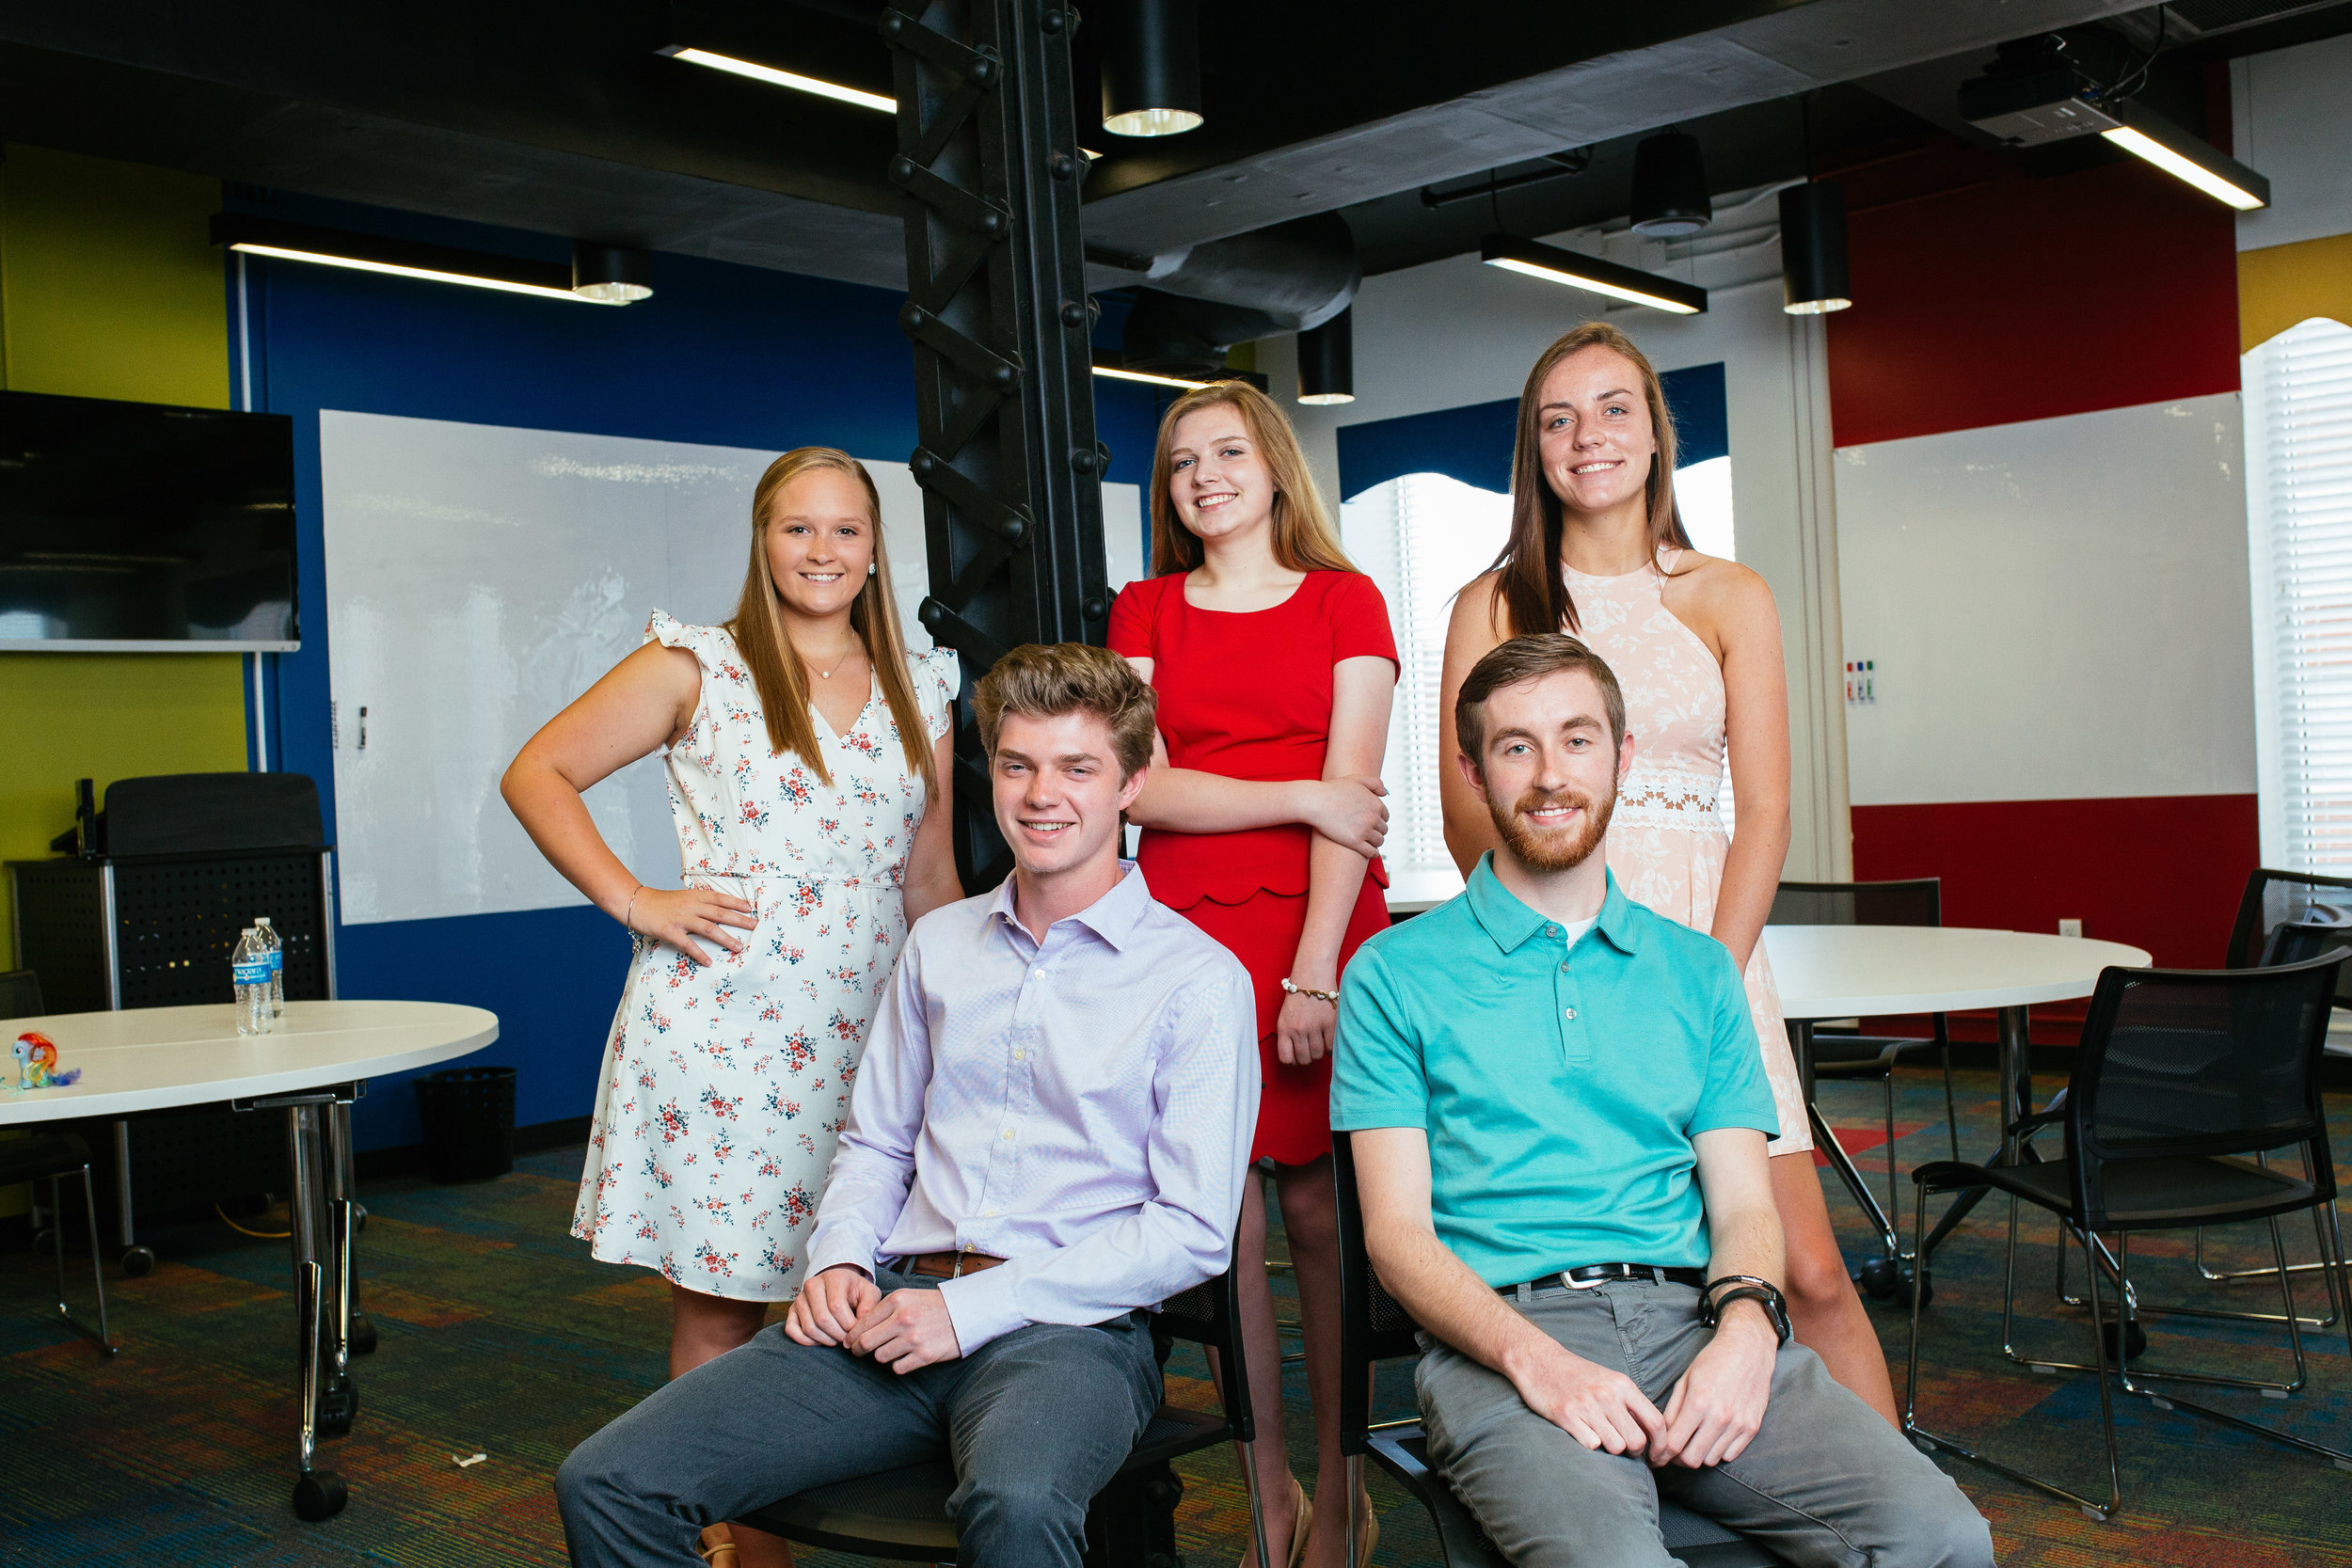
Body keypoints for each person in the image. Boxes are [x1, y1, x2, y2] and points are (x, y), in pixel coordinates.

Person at [555, 642, 1260, 1568]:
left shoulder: (1197, 978)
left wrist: (971, 1309)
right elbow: (876, 1142)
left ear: (1132, 782)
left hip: (1069, 1333)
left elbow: (1192, 1230)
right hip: (889, 1304)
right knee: (608, 1479)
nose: (1042, 793)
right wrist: (840, 1257)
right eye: (1018, 764)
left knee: (1015, 1503)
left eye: (1077, 767)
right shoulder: (941, 944)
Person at [1335, 635, 1993, 1567]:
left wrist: (1744, 1328)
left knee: (1945, 1539)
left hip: (1691, 1319)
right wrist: (1534, 1359)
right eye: (1515, 745)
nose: (1550, 773)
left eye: (1577, 739)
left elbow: (1742, 1206)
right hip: (1505, 1340)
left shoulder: (1697, 971)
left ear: (1623, 756)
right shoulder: (1394, 973)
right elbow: (1394, 1235)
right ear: (1472, 770)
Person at [504, 446, 962, 1567]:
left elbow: (932, 878)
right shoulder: (694, 663)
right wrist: (633, 898)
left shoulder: (923, 676)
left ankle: (767, 1532)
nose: (821, 551)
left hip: (874, 1025)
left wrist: (968, 1018)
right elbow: (537, 771)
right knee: (724, 1304)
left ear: (872, 548)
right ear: (763, 539)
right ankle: (742, 1549)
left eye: (844, 530)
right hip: (726, 1028)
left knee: (845, 1282)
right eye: (797, 528)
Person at [1437, 322, 1898, 1425]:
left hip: (1706, 952)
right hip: (1556, 964)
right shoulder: (1492, 603)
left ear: (1655, 436)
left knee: (1808, 1271)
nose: (1585, 435)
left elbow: (1769, 810)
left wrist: (1702, 982)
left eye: (1611, 409)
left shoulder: (1727, 592)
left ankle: (1896, 1520)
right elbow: (1467, 820)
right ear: (1532, 449)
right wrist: (1573, 967)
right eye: (1557, 417)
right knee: (1629, 1270)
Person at [1107, 380, 1397, 1568]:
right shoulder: (1146, 607)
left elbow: (1359, 807)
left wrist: (1316, 972)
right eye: (1182, 461)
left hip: (1319, 934)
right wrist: (1294, 790)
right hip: (1179, 940)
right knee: (1211, 1222)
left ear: (1276, 464)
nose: (1204, 474)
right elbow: (1141, 787)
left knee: (1327, 1217)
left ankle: (1339, 1494)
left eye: (1228, 450)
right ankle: (1265, 1490)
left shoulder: (1345, 599)